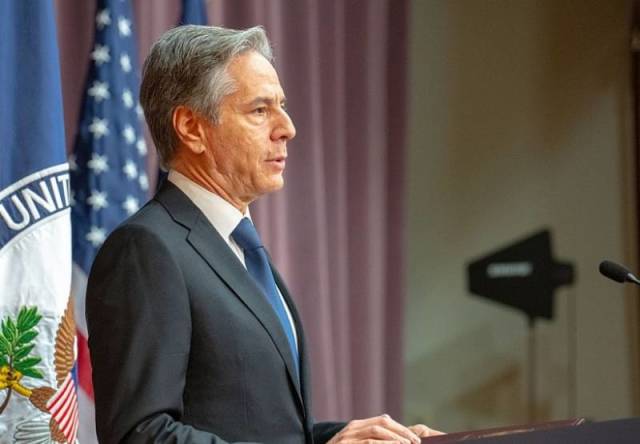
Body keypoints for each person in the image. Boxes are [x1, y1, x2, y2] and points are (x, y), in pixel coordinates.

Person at [86, 25, 441, 443]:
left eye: (282, 107)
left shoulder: (237, 245)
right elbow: (140, 433)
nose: (287, 127)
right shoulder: (146, 249)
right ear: (191, 127)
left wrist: (355, 437)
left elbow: (266, 428)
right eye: (259, 110)